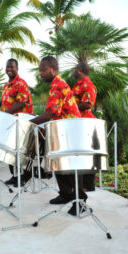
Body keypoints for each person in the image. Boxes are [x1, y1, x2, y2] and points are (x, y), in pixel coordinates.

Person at [30, 56, 87, 215]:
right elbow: (53, 113)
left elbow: (49, 113)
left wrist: (29, 123)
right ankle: (66, 194)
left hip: (70, 131)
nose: (40, 73)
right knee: (57, 163)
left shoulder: (58, 85)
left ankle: (80, 201)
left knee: (70, 167)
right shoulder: (55, 85)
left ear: (53, 69)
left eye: (43, 70)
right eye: (40, 70)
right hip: (61, 130)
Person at [0, 58, 34, 186]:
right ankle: (14, 176)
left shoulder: (21, 83)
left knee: (22, 151)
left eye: (12, 67)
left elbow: (21, 102)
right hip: (9, 121)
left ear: (17, 68)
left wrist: (4, 114)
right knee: (9, 149)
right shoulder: (7, 85)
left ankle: (24, 177)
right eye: (7, 67)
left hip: (21, 122)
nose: (9, 69)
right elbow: (5, 100)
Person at [72, 62, 97, 192]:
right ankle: (81, 187)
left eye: (75, 68)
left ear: (80, 69)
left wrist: (70, 108)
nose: (73, 70)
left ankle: (87, 187)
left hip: (86, 123)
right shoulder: (77, 85)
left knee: (86, 155)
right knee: (80, 155)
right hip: (78, 123)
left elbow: (87, 104)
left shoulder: (88, 84)